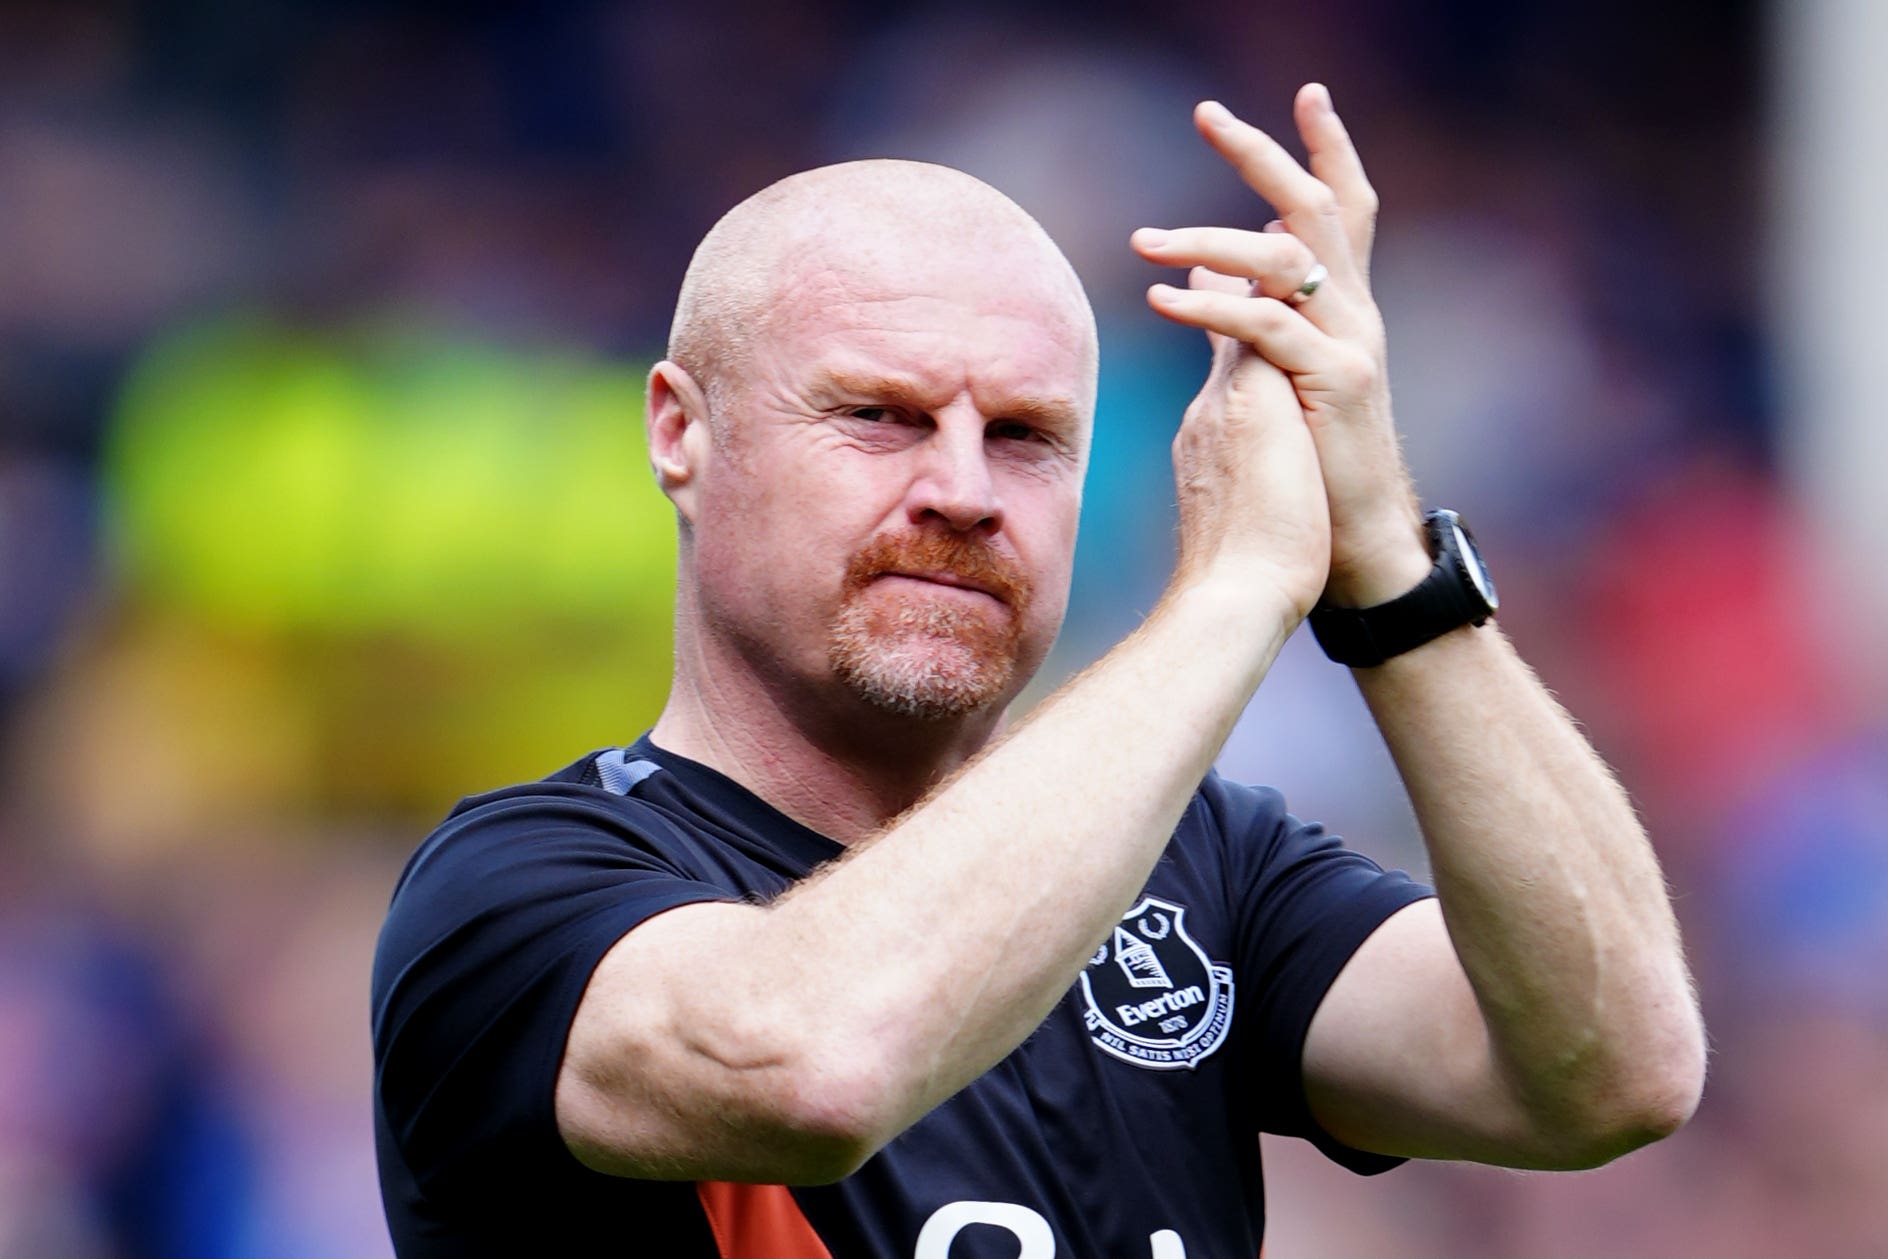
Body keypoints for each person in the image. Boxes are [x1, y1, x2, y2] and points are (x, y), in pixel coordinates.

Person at [371, 85, 1705, 1257]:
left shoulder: (1205, 871)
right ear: (683, 434)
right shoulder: (517, 891)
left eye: (1025, 437)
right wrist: (1234, 586)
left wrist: (1384, 562)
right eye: (880, 416)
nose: (961, 490)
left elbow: (1612, 1069)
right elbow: (815, 1065)